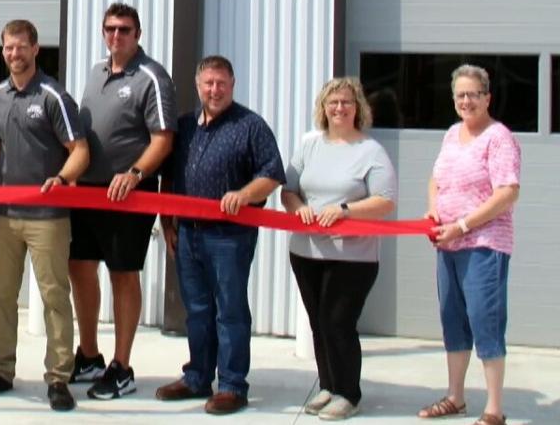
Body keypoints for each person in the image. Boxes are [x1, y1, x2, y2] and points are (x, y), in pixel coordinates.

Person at [0, 19, 89, 412]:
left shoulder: (54, 96)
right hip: (3, 215)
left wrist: (62, 177)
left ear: (36, 49)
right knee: (2, 297)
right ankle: (1, 371)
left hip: (47, 217)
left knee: (54, 296)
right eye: (8, 47)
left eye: (21, 47)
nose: (14, 54)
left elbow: (80, 151)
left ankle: (58, 378)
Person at [157, 55, 284, 415]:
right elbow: (169, 178)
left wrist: (245, 195)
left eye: (221, 84)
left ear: (232, 85)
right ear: (198, 86)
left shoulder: (250, 126)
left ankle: (231, 385)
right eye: (208, 83)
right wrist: (167, 223)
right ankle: (197, 377)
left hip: (230, 236)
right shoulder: (184, 127)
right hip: (187, 235)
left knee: (229, 312)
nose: (214, 90)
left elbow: (271, 174)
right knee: (196, 311)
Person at [70, 3, 176, 399]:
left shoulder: (152, 77)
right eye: (111, 29)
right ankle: (90, 354)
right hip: (86, 190)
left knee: (122, 273)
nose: (117, 36)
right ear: (103, 32)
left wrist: (134, 174)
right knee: (79, 267)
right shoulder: (96, 72)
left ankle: (122, 366)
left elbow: (164, 140)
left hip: (129, 193)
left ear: (138, 34)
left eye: (125, 30)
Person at [280, 77, 396, 420]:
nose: (340, 108)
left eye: (347, 102)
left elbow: (385, 202)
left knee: (338, 322)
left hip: (352, 256)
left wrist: (345, 210)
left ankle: (349, 393)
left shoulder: (370, 150)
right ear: (323, 108)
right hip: (307, 252)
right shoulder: (309, 144)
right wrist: (296, 206)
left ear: (358, 107)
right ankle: (329, 386)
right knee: (319, 322)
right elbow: (288, 188)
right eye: (333, 103)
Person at [417, 65, 520, 425]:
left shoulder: (499, 137)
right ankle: (456, 397)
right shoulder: (451, 134)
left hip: (484, 244)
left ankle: (494, 408)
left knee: (484, 320)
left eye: (473, 94)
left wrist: (462, 225)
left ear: (487, 97)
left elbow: (507, 193)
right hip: (448, 246)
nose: (465, 101)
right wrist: (434, 211)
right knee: (453, 320)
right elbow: (436, 179)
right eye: (460, 95)